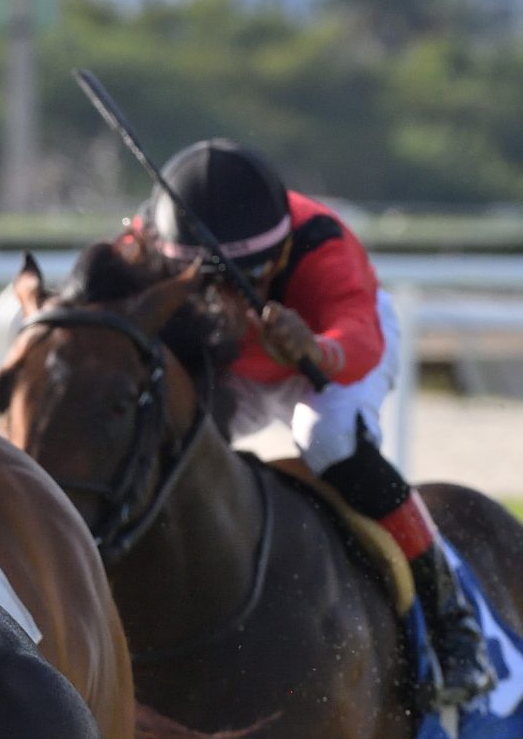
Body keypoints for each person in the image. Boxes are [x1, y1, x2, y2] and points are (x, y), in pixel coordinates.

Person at [141, 137, 495, 707]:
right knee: (172, 448)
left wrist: (315, 348)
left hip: (328, 358)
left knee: (327, 440)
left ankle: (450, 618)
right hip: (237, 370)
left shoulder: (321, 244)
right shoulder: (147, 238)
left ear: (279, 257)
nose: (227, 305)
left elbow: (355, 335)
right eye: (209, 286)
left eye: (244, 281)